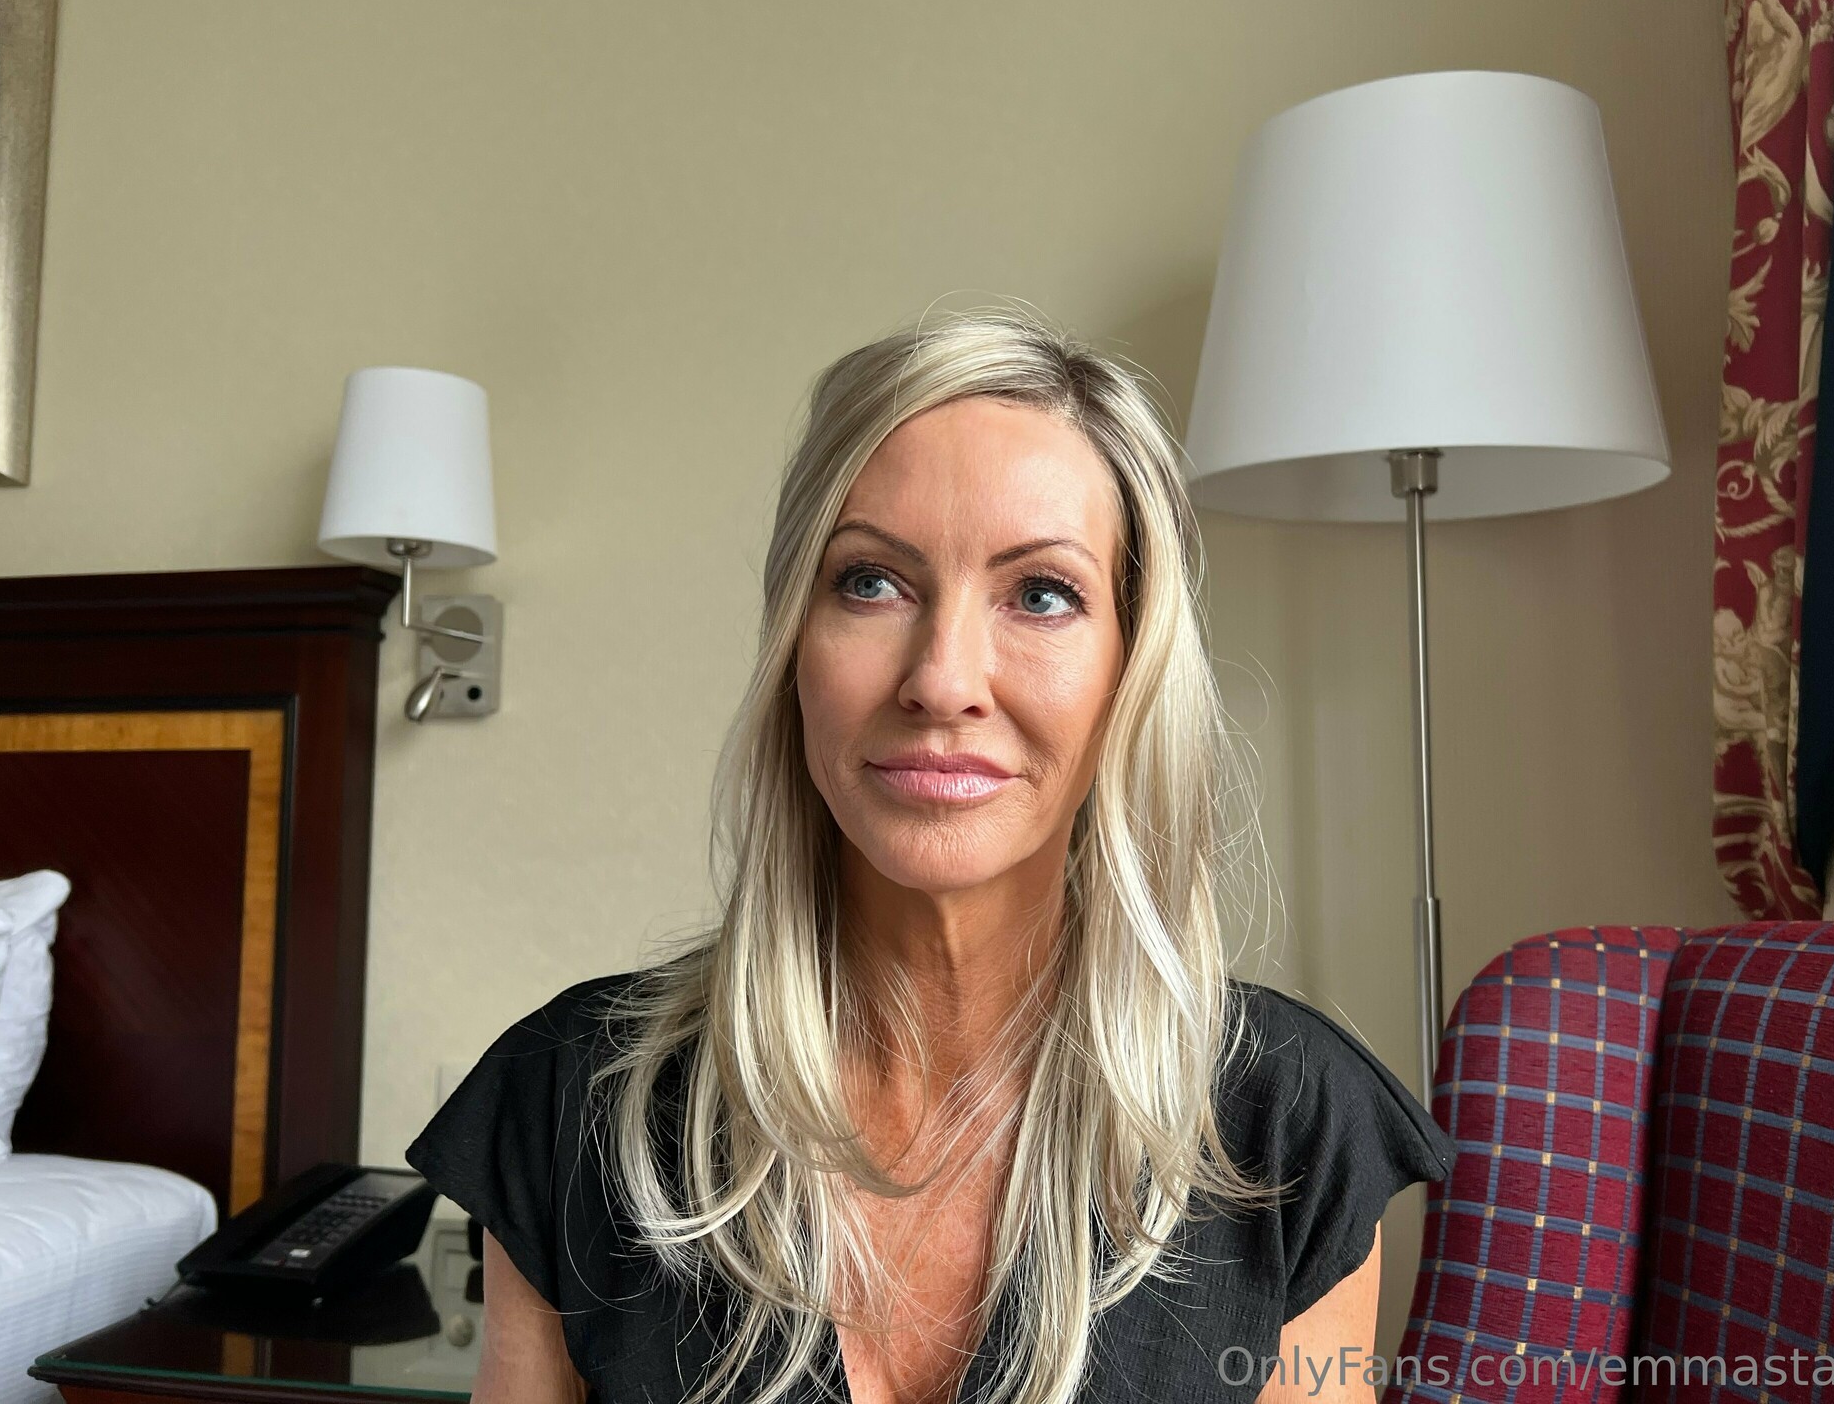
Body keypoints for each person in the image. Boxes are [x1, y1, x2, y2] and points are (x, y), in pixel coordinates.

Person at [406, 307, 1457, 1404]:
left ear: (1130, 672)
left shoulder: (1289, 1127)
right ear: (794, 647)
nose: (943, 680)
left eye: (1042, 594)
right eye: (871, 582)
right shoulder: (572, 1098)